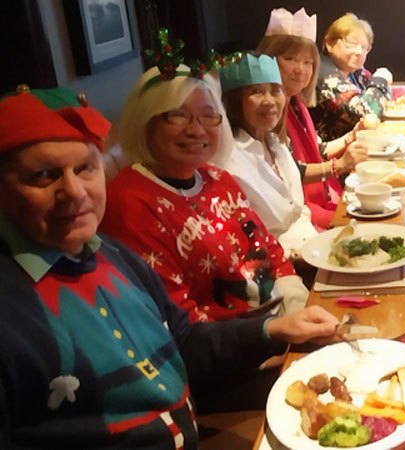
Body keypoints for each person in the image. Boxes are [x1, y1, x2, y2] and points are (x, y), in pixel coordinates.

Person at [0, 85, 342, 448]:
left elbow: (183, 339)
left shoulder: (110, 254)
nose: (74, 191)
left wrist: (272, 331)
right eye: (43, 175)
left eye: (85, 168)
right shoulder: (12, 310)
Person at [102, 62, 309, 323]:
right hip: (240, 340)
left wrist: (297, 302)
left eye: (208, 116)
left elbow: (270, 249)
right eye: (178, 115)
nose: (196, 130)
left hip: (284, 316)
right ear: (145, 122)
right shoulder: (130, 203)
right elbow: (180, 321)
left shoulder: (216, 178)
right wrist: (273, 332)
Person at [257, 7, 367, 229]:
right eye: (290, 59)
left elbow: (318, 149)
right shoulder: (265, 114)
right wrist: (338, 166)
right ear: (268, 60)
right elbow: (289, 171)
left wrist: (349, 138)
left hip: (321, 197)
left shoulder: (296, 104)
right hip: (299, 214)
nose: (301, 70)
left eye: (308, 62)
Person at [215, 53, 318, 256]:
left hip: (313, 247)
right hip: (280, 265)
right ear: (234, 101)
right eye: (256, 91)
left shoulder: (275, 142)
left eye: (275, 90)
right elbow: (240, 243)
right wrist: (294, 257)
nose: (269, 101)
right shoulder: (227, 159)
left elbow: (299, 214)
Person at [313, 12, 392, 143]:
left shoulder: (354, 72)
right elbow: (367, 114)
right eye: (352, 44)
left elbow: (381, 100)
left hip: (357, 145)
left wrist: (379, 88)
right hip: (331, 152)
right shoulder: (325, 75)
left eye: (364, 47)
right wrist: (381, 80)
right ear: (329, 44)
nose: (359, 52)